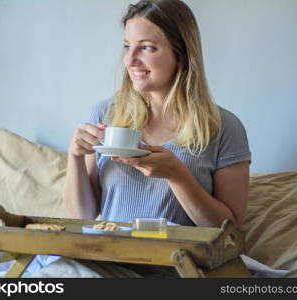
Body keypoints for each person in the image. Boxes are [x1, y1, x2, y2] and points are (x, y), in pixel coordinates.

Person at [64, 0, 251, 231]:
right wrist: (75, 157)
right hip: (106, 257)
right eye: (127, 46)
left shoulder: (224, 128)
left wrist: (178, 176)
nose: (130, 60)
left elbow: (231, 233)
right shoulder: (105, 114)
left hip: (176, 263)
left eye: (147, 47)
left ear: (180, 53)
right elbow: (82, 216)